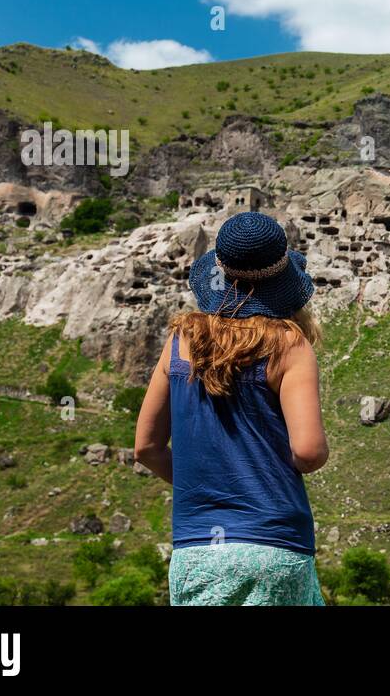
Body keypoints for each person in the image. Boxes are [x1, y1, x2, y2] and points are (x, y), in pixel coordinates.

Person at [133, 211, 328, 605]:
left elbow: (146, 449)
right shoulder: (289, 346)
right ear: (284, 286)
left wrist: (208, 486)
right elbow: (307, 452)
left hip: (197, 551)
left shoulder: (180, 343)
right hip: (274, 544)